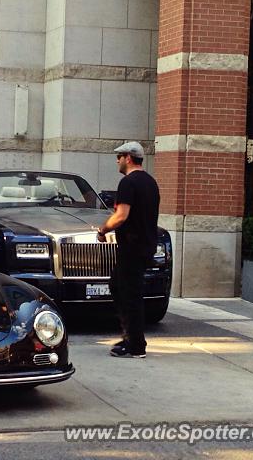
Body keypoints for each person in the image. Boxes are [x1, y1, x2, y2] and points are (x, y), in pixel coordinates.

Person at [96, 141, 160, 358]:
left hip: (132, 248)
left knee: (130, 296)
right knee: (119, 286)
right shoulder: (151, 183)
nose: (117, 160)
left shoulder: (128, 183)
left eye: (119, 157)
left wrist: (103, 229)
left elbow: (121, 216)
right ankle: (131, 338)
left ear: (128, 158)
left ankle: (135, 345)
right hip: (146, 246)